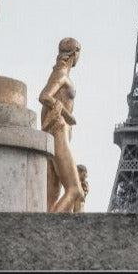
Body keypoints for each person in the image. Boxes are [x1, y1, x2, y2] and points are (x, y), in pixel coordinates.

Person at [39, 38, 85, 212]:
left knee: (51, 197)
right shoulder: (62, 74)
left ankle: (45, 225)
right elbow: (44, 96)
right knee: (75, 191)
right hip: (59, 130)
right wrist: (68, 116)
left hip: (56, 130)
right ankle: (50, 226)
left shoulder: (59, 73)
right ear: (75, 53)